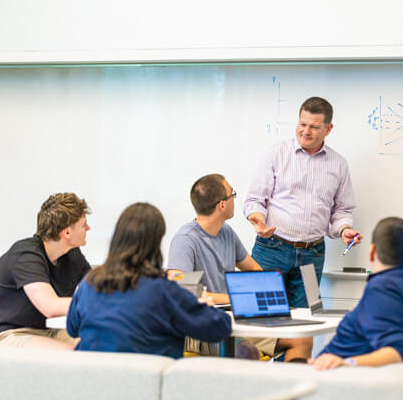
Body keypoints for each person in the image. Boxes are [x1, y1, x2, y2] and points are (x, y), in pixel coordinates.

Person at [167, 174, 312, 362]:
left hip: (236, 321)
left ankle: (285, 390)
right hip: (203, 327)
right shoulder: (185, 241)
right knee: (246, 351)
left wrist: (262, 296)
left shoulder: (226, 232)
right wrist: (235, 298)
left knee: (302, 339)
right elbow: (180, 292)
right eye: (232, 195)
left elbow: (254, 270)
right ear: (222, 205)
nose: (235, 199)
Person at [67, 202, 231, 358]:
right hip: (149, 384)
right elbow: (219, 328)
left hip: (94, 382)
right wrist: (208, 309)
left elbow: (72, 328)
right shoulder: (163, 291)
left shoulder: (88, 283)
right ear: (155, 243)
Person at [244, 96, 361, 308]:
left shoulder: (339, 164)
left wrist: (344, 230)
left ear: (328, 128)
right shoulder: (275, 154)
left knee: (306, 323)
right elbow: (255, 199)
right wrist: (258, 220)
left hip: (312, 255)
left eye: (314, 127)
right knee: (258, 321)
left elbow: (341, 210)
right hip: (272, 249)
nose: (305, 131)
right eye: (302, 124)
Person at [309, 217, 403, 370]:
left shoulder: (384, 287)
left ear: (372, 252)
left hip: (333, 374)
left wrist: (348, 363)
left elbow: (398, 350)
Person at [0, 193, 91, 349]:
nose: (88, 228)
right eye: (84, 224)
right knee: (71, 353)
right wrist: (98, 303)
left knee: (98, 345)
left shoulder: (71, 254)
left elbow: (97, 286)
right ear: (67, 232)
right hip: (7, 334)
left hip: (47, 330)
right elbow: (50, 307)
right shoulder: (26, 254)